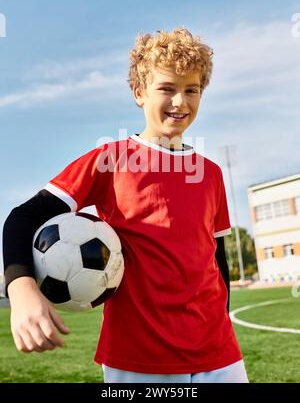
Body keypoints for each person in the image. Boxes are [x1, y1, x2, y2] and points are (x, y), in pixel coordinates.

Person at [2, 27, 248, 383]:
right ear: (139, 93)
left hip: (219, 353)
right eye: (167, 88)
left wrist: (223, 323)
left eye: (191, 90)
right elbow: (22, 219)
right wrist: (21, 291)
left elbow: (217, 259)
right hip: (139, 357)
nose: (180, 101)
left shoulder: (210, 173)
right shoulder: (110, 160)